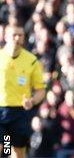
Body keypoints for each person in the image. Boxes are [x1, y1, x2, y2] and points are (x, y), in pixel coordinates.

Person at [0, 24, 46, 158]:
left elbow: (40, 90)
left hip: (19, 113)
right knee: (1, 146)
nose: (17, 38)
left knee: (16, 152)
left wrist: (32, 101)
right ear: (6, 37)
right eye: (14, 35)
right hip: (1, 111)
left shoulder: (31, 60)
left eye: (20, 35)